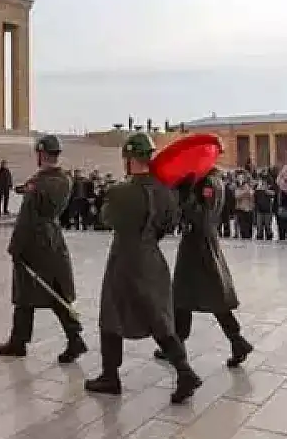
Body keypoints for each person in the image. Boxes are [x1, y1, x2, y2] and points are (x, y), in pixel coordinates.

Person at [85, 131, 201, 404]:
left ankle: (110, 376)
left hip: (125, 258)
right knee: (159, 319)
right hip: (153, 258)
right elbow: (169, 224)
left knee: (111, 314)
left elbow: (105, 220)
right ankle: (184, 371)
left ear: (128, 160)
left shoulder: (120, 192)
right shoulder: (165, 192)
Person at [0, 135, 87, 364]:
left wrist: (15, 247)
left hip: (34, 243)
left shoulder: (40, 183)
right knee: (54, 291)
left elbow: (27, 218)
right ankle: (72, 337)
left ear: (41, 153)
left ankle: (20, 341)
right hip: (52, 239)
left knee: (27, 292)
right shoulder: (63, 179)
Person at [157, 166, 254, 369]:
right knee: (189, 299)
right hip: (199, 244)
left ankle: (236, 342)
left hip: (199, 247)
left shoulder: (208, 184)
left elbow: (202, 217)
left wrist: (186, 196)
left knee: (198, 297)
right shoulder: (208, 181)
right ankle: (234, 341)